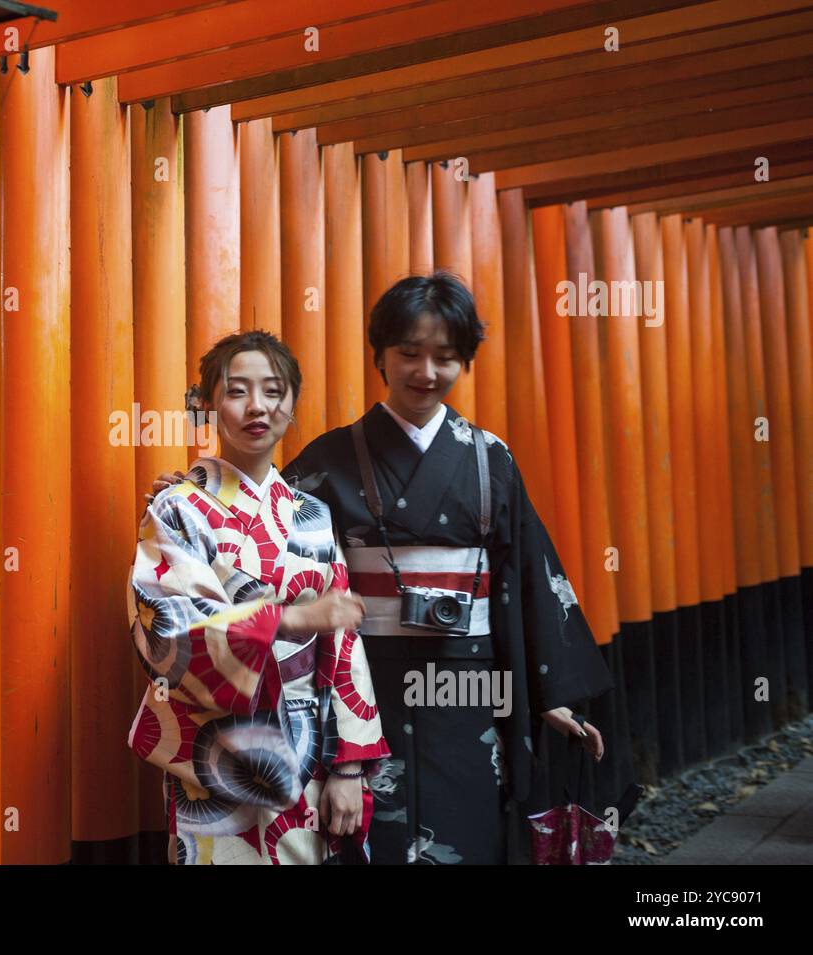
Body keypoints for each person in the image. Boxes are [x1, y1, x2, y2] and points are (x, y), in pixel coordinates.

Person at [150, 273, 613, 864]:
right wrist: (198, 498)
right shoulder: (329, 462)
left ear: (463, 362)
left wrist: (544, 691)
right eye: (408, 353)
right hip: (366, 683)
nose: (425, 372)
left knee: (470, 829)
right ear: (380, 357)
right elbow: (268, 548)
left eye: (444, 357)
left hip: (468, 685)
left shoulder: (488, 458)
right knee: (372, 839)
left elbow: (525, 576)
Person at [127, 330, 390, 865]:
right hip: (214, 753)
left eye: (274, 391)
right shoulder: (177, 508)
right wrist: (292, 619)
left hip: (312, 749)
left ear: (292, 403)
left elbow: (341, 641)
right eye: (236, 390)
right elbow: (170, 635)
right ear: (207, 404)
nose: (257, 407)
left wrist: (347, 766)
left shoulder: (312, 516)